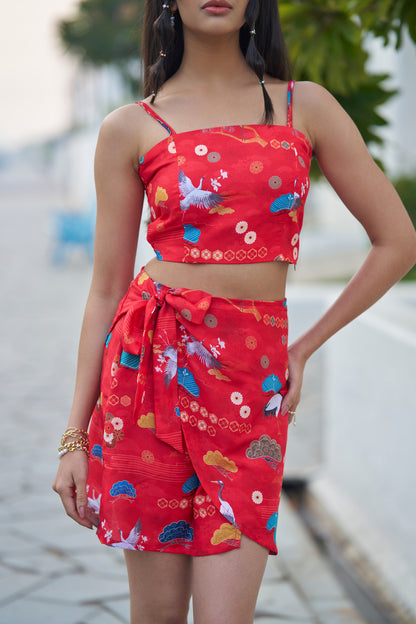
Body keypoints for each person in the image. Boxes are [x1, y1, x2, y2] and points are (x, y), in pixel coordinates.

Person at [52, 1, 416, 623]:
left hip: (254, 383)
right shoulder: (131, 126)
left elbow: (397, 241)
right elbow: (106, 290)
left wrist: (303, 347)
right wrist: (74, 438)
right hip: (148, 376)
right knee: (159, 613)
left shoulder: (307, 105)